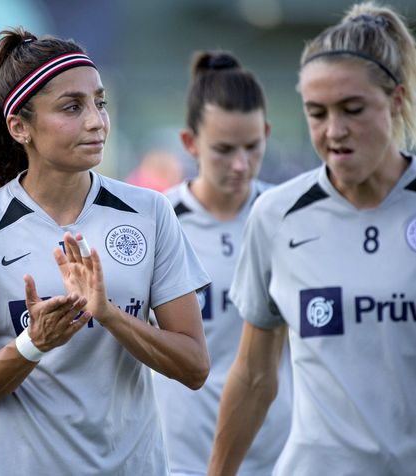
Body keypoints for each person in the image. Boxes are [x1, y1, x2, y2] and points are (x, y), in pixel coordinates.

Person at [0, 27, 211, 475]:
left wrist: (112, 315)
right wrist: (33, 344)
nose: (96, 121)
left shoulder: (150, 212)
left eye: (100, 103)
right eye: (71, 108)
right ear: (20, 127)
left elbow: (194, 366)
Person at [207, 2, 416, 475]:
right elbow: (255, 375)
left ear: (397, 100)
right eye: (316, 113)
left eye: (353, 109)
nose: (333, 131)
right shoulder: (277, 215)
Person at [153, 51, 292, 476]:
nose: (240, 164)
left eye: (253, 147)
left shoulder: (289, 218)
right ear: (190, 144)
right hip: (179, 462)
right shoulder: (156, 223)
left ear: (267, 132)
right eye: (224, 149)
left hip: (277, 460)